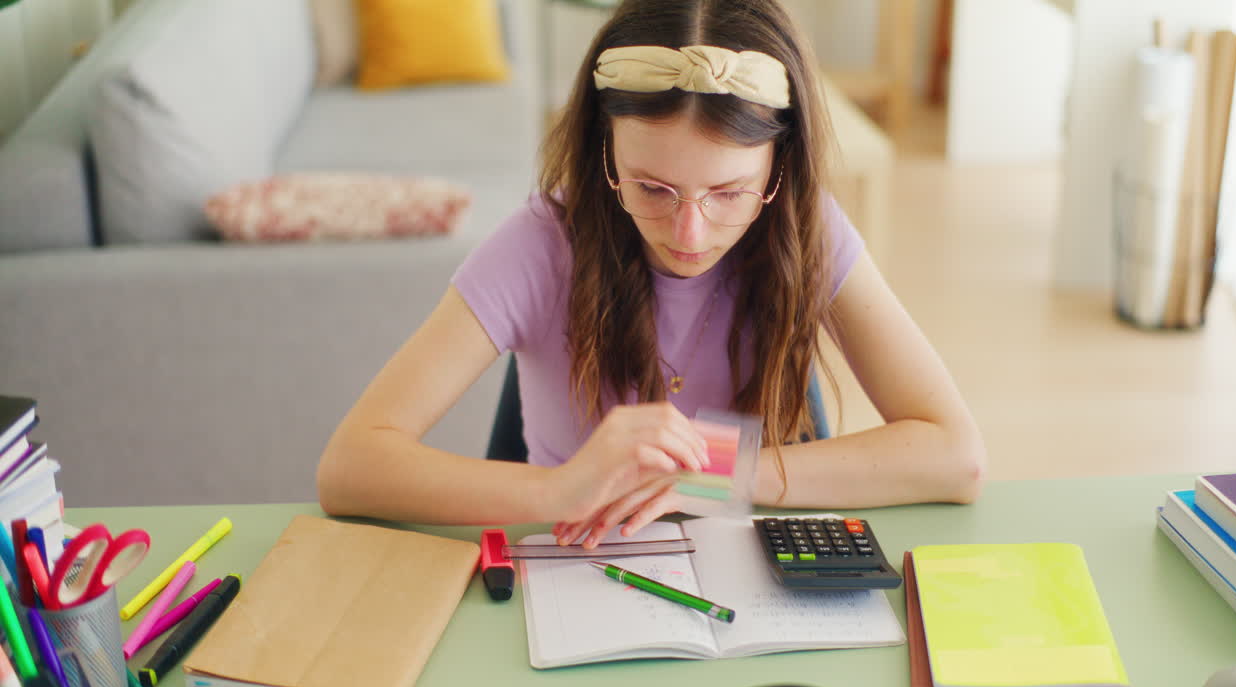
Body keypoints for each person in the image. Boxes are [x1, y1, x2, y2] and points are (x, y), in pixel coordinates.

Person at [317, 0, 985, 548]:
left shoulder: (808, 230)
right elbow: (349, 466)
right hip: (577, 574)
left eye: (728, 192)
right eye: (652, 187)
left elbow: (956, 455)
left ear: (780, 170)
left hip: (752, 579)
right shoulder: (540, 245)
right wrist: (558, 491)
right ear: (604, 153)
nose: (689, 235)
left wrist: (723, 470)